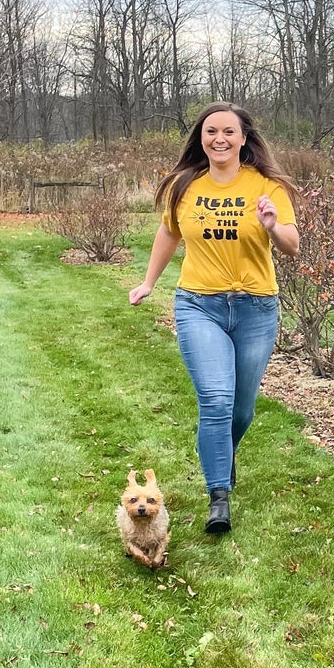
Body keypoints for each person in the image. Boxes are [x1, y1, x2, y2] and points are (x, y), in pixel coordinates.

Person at [129, 103, 300, 534]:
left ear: (244, 138)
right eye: (210, 131)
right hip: (198, 305)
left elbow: (292, 246)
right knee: (217, 401)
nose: (218, 138)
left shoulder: (267, 186)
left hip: (255, 308)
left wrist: (272, 224)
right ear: (200, 138)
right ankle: (218, 495)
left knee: (241, 410)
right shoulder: (184, 185)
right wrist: (149, 282)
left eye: (228, 131)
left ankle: (221, 451)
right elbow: (169, 231)